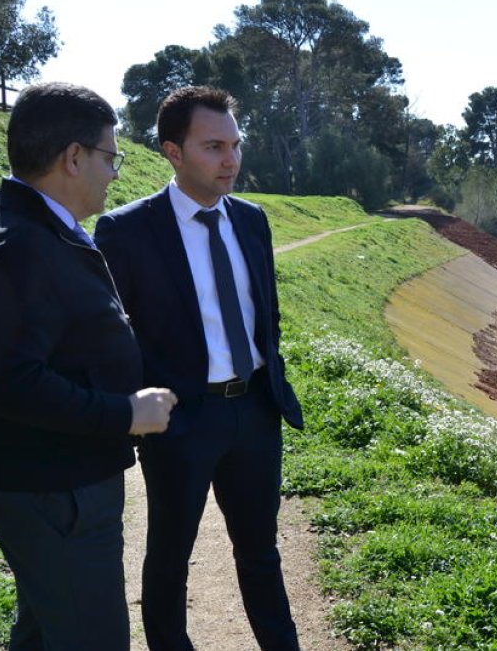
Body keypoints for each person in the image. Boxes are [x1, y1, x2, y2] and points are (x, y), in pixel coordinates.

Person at [0, 82, 177, 650]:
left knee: (46, 630)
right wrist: (126, 412)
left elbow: (4, 354)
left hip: (45, 482)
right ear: (73, 158)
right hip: (58, 490)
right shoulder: (24, 244)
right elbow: (16, 380)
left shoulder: (20, 221)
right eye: (110, 157)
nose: (115, 174)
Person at [95, 85, 304, 651]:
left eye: (235, 145)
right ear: (173, 152)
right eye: (213, 146)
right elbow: (112, 337)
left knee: (261, 551)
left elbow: (268, 316)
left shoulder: (252, 220)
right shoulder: (126, 230)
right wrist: (149, 407)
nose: (231, 160)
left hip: (256, 411)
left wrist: (270, 387)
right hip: (183, 420)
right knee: (170, 555)